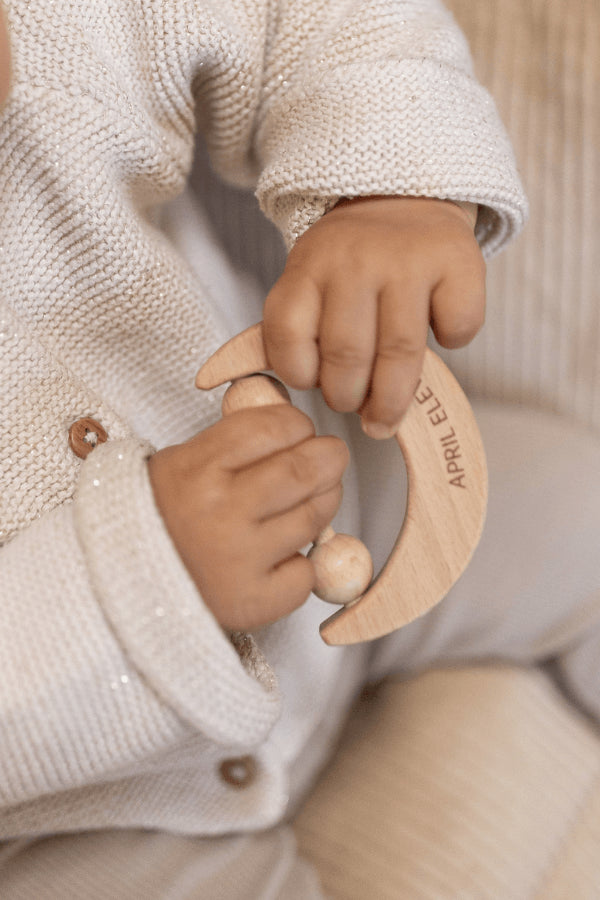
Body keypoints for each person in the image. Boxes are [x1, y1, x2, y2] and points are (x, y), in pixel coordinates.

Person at [1, 1, 599, 897]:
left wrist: (390, 183)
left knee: (577, 505)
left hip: (333, 480)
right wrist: (132, 585)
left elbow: (305, 15)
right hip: (88, 813)